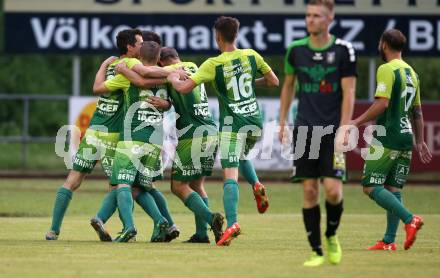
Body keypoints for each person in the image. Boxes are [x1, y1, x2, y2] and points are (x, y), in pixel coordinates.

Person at [168, 16, 279, 246]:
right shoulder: (251, 55)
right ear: (236, 35)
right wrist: (247, 79)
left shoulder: (213, 64)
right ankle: (256, 184)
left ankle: (233, 224)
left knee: (230, 175)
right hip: (255, 121)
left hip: (232, 125)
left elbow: (186, 87)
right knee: (241, 155)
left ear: (217, 36)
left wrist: (172, 79)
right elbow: (273, 81)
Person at [45, 29, 143, 241]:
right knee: (119, 185)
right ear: (129, 47)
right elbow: (145, 81)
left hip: (94, 131)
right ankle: (126, 229)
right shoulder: (129, 68)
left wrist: (101, 65)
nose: (142, 47)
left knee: (73, 179)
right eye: (140, 43)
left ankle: (53, 230)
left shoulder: (110, 65)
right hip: (113, 135)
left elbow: (95, 87)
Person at [279, 0, 357, 266]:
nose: (310, 19)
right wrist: (281, 123)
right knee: (310, 191)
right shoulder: (295, 51)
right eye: (308, 15)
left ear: (329, 19)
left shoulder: (344, 50)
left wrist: (344, 128)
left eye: (317, 15)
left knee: (333, 191)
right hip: (304, 129)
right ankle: (316, 251)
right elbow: (288, 87)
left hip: (332, 130)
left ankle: (332, 235)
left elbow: (349, 92)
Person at [348, 29, 432, 251]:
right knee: (393, 188)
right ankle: (388, 241)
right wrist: (420, 141)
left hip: (387, 136)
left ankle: (410, 219)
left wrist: (355, 122)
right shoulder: (413, 73)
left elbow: (382, 104)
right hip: (406, 137)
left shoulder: (387, 69)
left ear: (384, 44)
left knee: (370, 185)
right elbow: (418, 112)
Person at [93, 41, 182, 242]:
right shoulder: (166, 75)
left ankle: (129, 227)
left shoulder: (127, 76)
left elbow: (98, 88)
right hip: (155, 141)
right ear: (159, 58)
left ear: (138, 56)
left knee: (122, 184)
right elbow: (171, 100)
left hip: (132, 137)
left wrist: (116, 69)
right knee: (141, 187)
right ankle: (161, 221)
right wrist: (167, 104)